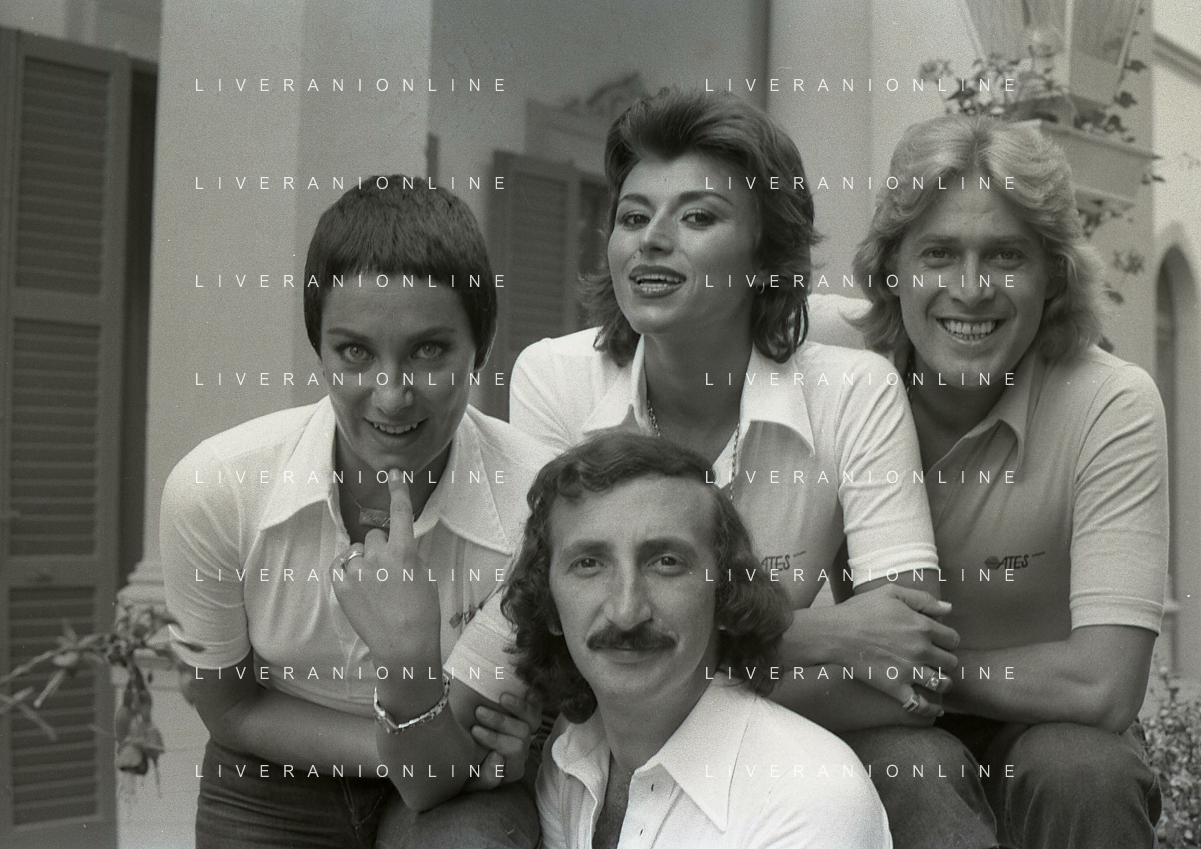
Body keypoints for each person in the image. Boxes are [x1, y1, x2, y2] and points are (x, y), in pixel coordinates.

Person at [453, 87, 959, 732]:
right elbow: (557, 642)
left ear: (766, 258)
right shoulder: (556, 378)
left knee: (922, 761)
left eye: (697, 217)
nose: (652, 239)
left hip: (781, 746)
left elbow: (912, 661)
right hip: (618, 752)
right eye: (633, 217)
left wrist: (661, 674)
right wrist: (820, 634)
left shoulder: (856, 389)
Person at [161, 178, 554, 849]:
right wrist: (429, 750)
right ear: (319, 350)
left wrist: (408, 655)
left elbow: (430, 783)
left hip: (449, 795)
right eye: (355, 352)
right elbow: (231, 708)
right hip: (272, 767)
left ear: (481, 350)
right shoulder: (217, 488)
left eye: (429, 350)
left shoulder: (539, 501)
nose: (392, 395)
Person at [809, 113, 1167, 849]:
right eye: (938, 254)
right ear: (890, 270)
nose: (970, 290)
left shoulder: (1110, 402)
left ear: (1053, 274)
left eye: (1005, 256)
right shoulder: (823, 354)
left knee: (1084, 770)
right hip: (885, 722)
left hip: (1047, 719)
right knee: (912, 765)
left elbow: (1103, 685)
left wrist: (912, 668)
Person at [500, 432, 892, 848]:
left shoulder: (810, 799)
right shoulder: (568, 757)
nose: (627, 611)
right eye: (589, 564)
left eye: (666, 562)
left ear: (723, 594)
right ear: (549, 605)